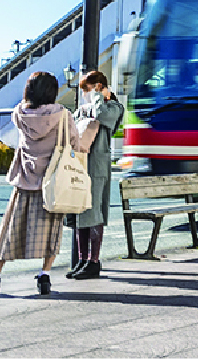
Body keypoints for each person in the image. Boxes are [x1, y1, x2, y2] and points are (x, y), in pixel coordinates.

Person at [0, 71, 80, 298]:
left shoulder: (19, 113)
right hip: (52, 183)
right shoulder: (63, 116)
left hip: (24, 180)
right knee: (50, 234)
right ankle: (44, 275)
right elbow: (74, 143)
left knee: (10, 231)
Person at [66, 69, 124, 280]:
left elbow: (102, 116)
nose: (85, 94)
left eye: (87, 89)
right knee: (80, 212)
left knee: (94, 213)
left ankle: (94, 261)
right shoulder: (82, 109)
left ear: (99, 86)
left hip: (97, 167)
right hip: (79, 165)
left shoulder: (113, 107)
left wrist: (99, 95)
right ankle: (82, 260)